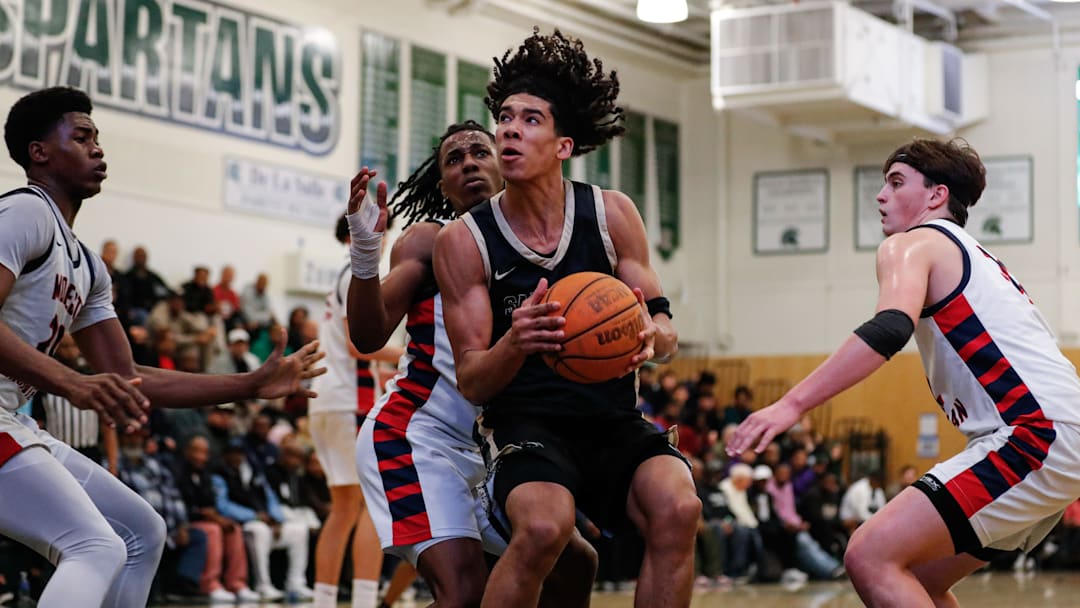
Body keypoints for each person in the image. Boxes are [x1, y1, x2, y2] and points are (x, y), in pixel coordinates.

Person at [0, 86, 324, 607]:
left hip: (12, 420)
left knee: (142, 532)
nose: (98, 148)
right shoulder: (25, 213)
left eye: (98, 138)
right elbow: (85, 380)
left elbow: (129, 376)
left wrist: (248, 384)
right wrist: (72, 382)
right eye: (81, 137)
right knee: (95, 546)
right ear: (39, 152)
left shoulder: (88, 267)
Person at [728, 138, 1080, 607]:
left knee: (869, 555)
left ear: (936, 196)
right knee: (917, 577)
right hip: (1057, 435)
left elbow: (891, 327)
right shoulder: (975, 255)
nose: (881, 196)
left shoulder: (915, 243)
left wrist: (791, 404)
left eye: (896, 183)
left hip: (1034, 434)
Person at [433, 30, 698, 608]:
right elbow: (473, 378)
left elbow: (664, 324)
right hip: (526, 424)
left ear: (562, 145)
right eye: (505, 117)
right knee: (545, 529)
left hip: (612, 418)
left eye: (530, 120)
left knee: (681, 507)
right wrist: (517, 341)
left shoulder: (611, 213)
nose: (509, 129)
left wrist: (655, 336)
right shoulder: (464, 240)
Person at [349, 120, 596, 608]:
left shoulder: (547, 248)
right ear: (443, 187)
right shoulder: (431, 241)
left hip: (491, 449)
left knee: (575, 565)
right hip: (417, 434)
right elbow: (367, 334)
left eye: (478, 152)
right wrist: (365, 253)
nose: (467, 163)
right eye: (454, 159)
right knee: (462, 592)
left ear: (504, 164)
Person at [308, 213, 403, 608]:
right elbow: (357, 345)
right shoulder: (357, 277)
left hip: (326, 399)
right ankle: (365, 600)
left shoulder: (342, 277)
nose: (381, 239)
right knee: (371, 504)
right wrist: (407, 354)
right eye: (375, 231)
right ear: (355, 236)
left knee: (344, 509)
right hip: (348, 399)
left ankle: (324, 600)